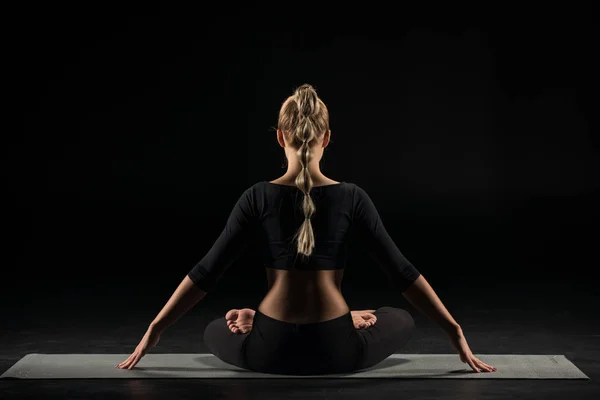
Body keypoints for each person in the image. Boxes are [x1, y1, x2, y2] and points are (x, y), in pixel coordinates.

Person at [116, 84, 497, 375]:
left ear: (280, 137)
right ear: (327, 138)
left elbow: (206, 272)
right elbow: (402, 272)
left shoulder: (256, 197)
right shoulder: (353, 197)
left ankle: (257, 317)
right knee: (398, 317)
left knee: (215, 329)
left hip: (269, 349)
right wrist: (454, 331)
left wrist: (155, 328)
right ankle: (343, 316)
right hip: (336, 350)